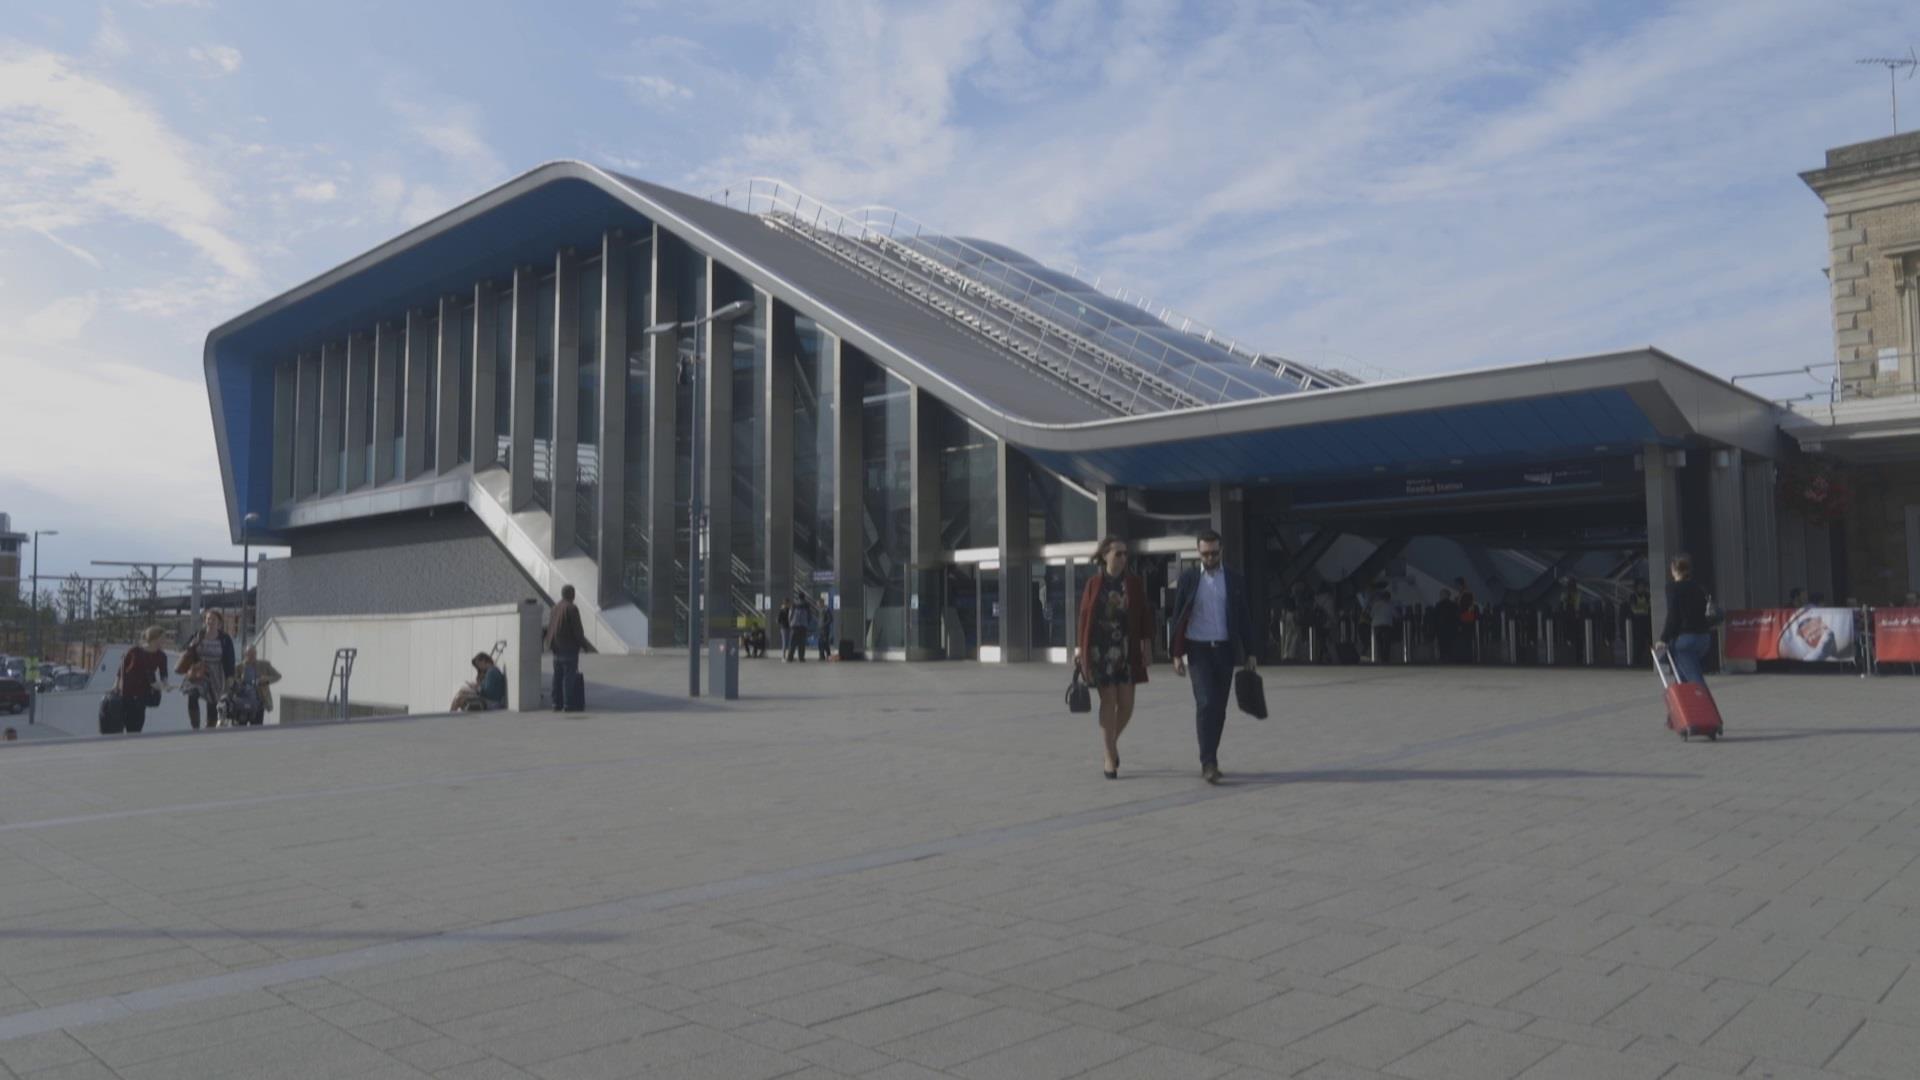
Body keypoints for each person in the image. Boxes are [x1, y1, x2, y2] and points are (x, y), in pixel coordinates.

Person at [1170, 530, 1258, 785]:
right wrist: (1176, 654)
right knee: (1206, 702)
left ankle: (1212, 756)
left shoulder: (1234, 579)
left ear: (1221, 551)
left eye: (1214, 553)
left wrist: (1250, 652)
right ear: (1198, 552)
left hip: (1224, 649)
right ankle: (1207, 761)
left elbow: (1244, 617)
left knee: (1218, 708)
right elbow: (1177, 616)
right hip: (1198, 650)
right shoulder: (1188, 579)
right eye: (1205, 553)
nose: (1210, 557)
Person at [1075, 536, 1151, 780]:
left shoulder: (1134, 583)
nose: (1122, 558)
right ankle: (1110, 758)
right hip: (1100, 650)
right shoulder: (1094, 583)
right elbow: (1084, 617)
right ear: (1105, 555)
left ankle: (1111, 744)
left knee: (1127, 705)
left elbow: (1143, 615)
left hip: (1127, 649)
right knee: (1109, 702)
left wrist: (1147, 644)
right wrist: (1080, 650)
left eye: (1125, 553)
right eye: (1117, 553)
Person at [1654, 554, 1713, 688]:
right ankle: (1682, 707)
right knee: (1681, 677)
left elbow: (1673, 615)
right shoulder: (1698, 588)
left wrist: (1663, 638)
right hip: (1703, 638)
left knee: (1694, 680)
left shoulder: (1673, 588)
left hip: (1685, 640)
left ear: (1673, 569)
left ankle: (1702, 706)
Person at [182, 611, 235, 730]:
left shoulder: (225, 639)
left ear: (219, 623)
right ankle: (195, 727)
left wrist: (230, 676)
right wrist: (192, 644)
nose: (210, 622)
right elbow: (185, 649)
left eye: (213, 620)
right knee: (192, 694)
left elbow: (230, 658)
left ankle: (209, 728)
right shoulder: (198, 634)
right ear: (205, 621)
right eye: (208, 619)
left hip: (216, 672)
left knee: (212, 703)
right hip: (198, 670)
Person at [115, 626, 172, 734]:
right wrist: (116, 686)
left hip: (142, 694)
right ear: (155, 638)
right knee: (120, 726)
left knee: (136, 728)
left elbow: (164, 675)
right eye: (163, 638)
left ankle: (133, 748)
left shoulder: (162, 656)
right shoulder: (134, 651)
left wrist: (166, 686)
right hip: (126, 693)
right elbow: (120, 670)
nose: (165, 641)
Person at [545, 584, 587, 713]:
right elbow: (577, 630)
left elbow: (550, 628)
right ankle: (568, 704)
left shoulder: (554, 608)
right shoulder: (572, 608)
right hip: (569, 648)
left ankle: (555, 703)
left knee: (557, 677)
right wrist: (584, 645)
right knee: (568, 677)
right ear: (571, 594)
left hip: (556, 649)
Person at [233, 646, 280, 726]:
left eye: (254, 654)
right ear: (245, 654)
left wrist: (265, 679)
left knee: (256, 728)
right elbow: (232, 681)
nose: (252, 656)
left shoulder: (264, 665)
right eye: (249, 654)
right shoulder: (239, 667)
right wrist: (240, 682)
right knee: (239, 728)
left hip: (258, 703)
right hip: (242, 703)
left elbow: (277, 676)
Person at [1431, 589, 1460, 662]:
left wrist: (1434, 631)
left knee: (1443, 649)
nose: (1440, 596)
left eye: (1441, 594)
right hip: (1452, 631)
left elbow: (1435, 620)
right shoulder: (1454, 605)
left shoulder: (1438, 606)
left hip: (1441, 631)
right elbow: (1457, 618)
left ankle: (1443, 662)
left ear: (1445, 595)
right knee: (1451, 649)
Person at [1368, 589, 1395, 662]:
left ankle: (1380, 658)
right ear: (1388, 597)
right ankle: (1385, 658)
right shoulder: (1390, 604)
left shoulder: (1376, 604)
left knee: (1379, 643)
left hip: (1376, 625)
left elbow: (1371, 615)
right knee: (1386, 643)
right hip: (1386, 625)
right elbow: (1395, 615)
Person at [787, 592, 814, 662]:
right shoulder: (807, 605)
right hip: (803, 626)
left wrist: (790, 622)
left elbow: (791, 614)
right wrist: (807, 623)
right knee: (802, 643)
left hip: (794, 626)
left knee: (792, 643)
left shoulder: (794, 604)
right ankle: (801, 658)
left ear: (798, 597)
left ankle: (790, 657)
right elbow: (810, 615)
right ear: (804, 597)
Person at [817, 592, 834, 661]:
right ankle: (822, 655)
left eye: (818, 603)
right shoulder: (820, 610)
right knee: (821, 643)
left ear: (821, 603)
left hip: (825, 629)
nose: (817, 604)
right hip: (821, 629)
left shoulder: (826, 609)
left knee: (825, 643)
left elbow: (830, 619)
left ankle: (827, 655)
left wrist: (824, 625)